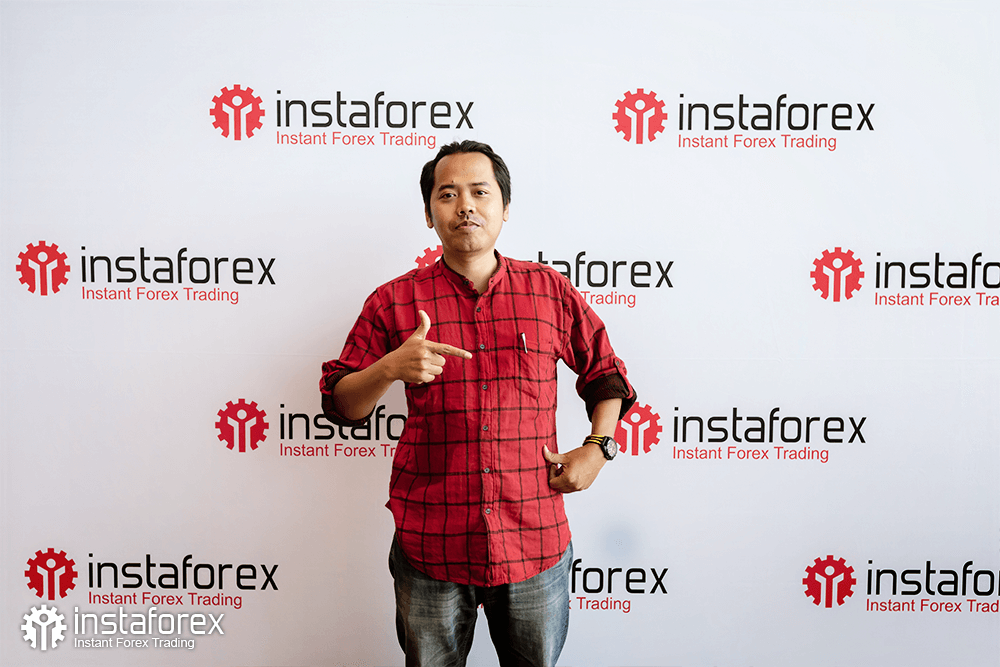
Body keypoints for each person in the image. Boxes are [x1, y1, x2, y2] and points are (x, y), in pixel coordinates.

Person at [320, 140, 636, 667]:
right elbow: (341, 404)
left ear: (504, 208)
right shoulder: (392, 301)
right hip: (431, 542)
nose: (465, 205)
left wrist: (598, 449)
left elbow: (606, 376)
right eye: (447, 194)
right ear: (429, 214)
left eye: (480, 192)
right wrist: (389, 367)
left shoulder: (550, 292)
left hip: (533, 538)